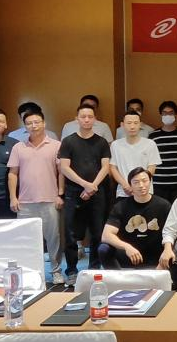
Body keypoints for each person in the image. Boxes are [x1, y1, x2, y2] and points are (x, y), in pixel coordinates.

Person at [7, 110, 65, 284]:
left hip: (50, 200)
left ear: (44, 123)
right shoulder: (18, 147)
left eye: (37, 122)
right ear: (25, 126)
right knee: (26, 239)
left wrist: (60, 194)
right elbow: (12, 174)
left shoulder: (56, 145)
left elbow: (61, 172)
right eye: (29, 123)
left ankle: (56, 271)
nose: (34, 125)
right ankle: (31, 274)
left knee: (53, 238)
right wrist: (13, 197)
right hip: (25, 202)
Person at [59, 104, 112, 282]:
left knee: (97, 232)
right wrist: (85, 185)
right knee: (71, 233)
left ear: (95, 119)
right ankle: (71, 270)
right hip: (73, 192)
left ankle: (94, 269)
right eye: (83, 117)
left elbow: (105, 167)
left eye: (90, 116)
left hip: (97, 192)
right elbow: (64, 167)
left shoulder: (101, 142)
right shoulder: (68, 141)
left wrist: (92, 186)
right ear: (77, 119)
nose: (87, 120)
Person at [99, 167, 171, 269]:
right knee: (103, 249)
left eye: (144, 181)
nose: (141, 185)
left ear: (150, 182)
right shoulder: (120, 206)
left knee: (171, 250)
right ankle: (117, 277)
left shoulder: (164, 205)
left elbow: (172, 233)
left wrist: (167, 250)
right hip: (129, 255)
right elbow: (106, 235)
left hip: (155, 255)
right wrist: (126, 247)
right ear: (130, 185)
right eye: (136, 182)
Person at [109, 110, 162, 199]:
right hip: (123, 191)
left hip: (145, 190)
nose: (132, 126)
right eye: (129, 123)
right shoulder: (115, 145)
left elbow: (152, 167)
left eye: (135, 123)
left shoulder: (150, 144)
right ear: (122, 125)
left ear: (140, 124)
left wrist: (140, 184)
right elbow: (113, 167)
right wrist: (125, 185)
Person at [148, 101, 177, 203]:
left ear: (175, 115)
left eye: (171, 113)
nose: (168, 115)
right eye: (165, 113)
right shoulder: (153, 136)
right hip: (159, 183)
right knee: (161, 211)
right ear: (161, 115)